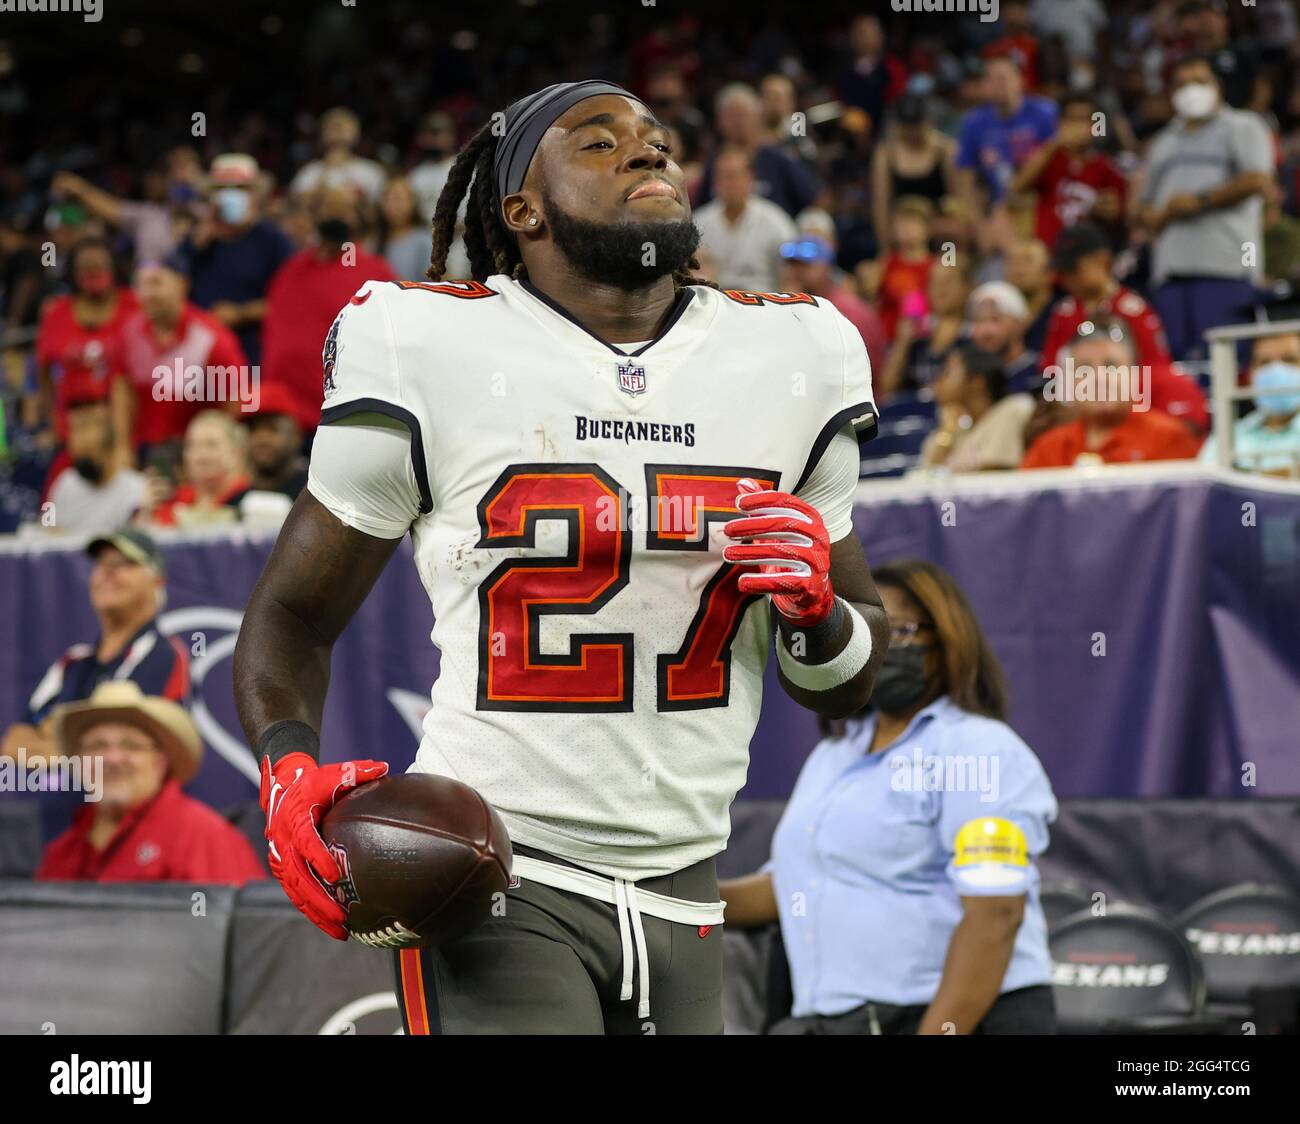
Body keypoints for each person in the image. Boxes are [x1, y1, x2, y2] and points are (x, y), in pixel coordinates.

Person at [233, 80, 889, 1036]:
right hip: (502, 868)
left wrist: (816, 616)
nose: (647, 152)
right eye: (598, 141)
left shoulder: (796, 352)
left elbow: (848, 683)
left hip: (686, 882)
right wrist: (288, 774)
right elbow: (294, 614)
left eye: (658, 140)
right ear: (521, 208)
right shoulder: (428, 342)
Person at [721, 560, 1058, 1035]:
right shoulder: (834, 754)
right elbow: (801, 885)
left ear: (946, 642)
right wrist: (686, 901)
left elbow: (996, 913)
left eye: (896, 631)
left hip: (953, 1018)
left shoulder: (980, 751)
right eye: (865, 633)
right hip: (837, 1018)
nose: (877, 649)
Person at [36, 681, 264, 885]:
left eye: (131, 745)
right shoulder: (62, 850)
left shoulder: (204, 837)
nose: (112, 759)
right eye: (97, 746)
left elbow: (247, 930)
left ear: (160, 763)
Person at [1, 529, 190, 767]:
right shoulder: (72, 663)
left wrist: (55, 739)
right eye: (101, 563)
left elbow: (117, 754)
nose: (107, 573)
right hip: (66, 803)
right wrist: (77, 748)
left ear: (156, 580)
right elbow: (13, 743)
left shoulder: (164, 654)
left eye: (124, 563)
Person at [1135, 55, 1274, 360]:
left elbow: (1257, 179)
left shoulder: (1243, 125)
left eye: (1200, 81)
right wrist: (1153, 216)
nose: (1191, 90)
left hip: (1226, 269)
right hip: (1170, 274)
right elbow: (1142, 204)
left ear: (1218, 87)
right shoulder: (1163, 141)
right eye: (1182, 84)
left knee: (1226, 366)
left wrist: (1198, 202)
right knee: (1180, 368)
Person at [1042, 224, 1207, 433]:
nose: (1067, 279)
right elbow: (1049, 373)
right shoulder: (1063, 313)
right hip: (1068, 412)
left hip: (1126, 407)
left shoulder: (1132, 310)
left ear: (1101, 260)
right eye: (1063, 272)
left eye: (1074, 269)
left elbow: (1154, 372)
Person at [259, 186, 395, 429]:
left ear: (357, 219)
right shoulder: (291, 270)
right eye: (328, 208)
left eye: (344, 209)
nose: (335, 215)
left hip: (347, 413)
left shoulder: (375, 272)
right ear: (314, 216)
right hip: (288, 415)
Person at [115, 255, 249, 456]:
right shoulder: (130, 333)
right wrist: (121, 448)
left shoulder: (210, 340)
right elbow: (122, 390)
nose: (146, 294)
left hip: (192, 454)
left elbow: (234, 404)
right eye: (140, 284)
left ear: (182, 284)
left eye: (156, 282)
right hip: (141, 450)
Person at [1023, 319, 1203, 468]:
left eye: (1111, 366)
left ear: (1134, 375)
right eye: (1083, 370)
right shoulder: (1047, 449)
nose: (1098, 378)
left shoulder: (1169, 439)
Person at [179, 154, 295, 366]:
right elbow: (170, 283)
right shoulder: (198, 240)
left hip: (252, 354)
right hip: (200, 357)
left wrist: (241, 314)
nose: (230, 194)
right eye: (222, 188)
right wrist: (197, 242)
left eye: (240, 188)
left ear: (255, 195)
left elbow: (292, 300)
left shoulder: (273, 242)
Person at [34, 237, 137, 440]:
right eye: (85, 268)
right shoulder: (56, 313)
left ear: (114, 268)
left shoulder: (135, 306)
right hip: (75, 423)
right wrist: (53, 418)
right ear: (73, 273)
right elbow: (43, 371)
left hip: (128, 420)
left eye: (99, 266)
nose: (93, 273)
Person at [1009, 91, 1127, 251]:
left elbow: (1120, 218)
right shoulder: (1049, 159)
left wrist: (1110, 213)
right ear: (1060, 123)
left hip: (1086, 259)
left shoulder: (1107, 168)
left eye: (1086, 119)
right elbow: (1016, 187)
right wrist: (1055, 143)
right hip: (1049, 254)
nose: (1079, 126)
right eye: (1072, 119)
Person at [695, 83, 821, 218]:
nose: (738, 122)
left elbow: (812, 200)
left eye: (743, 115)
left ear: (757, 117)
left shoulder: (779, 158)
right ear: (719, 121)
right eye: (731, 115)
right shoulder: (715, 163)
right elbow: (702, 210)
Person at [954, 56, 1058, 206]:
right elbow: (964, 172)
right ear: (983, 86)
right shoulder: (974, 122)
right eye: (991, 80)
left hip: (1041, 199)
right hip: (995, 203)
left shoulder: (1046, 112)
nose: (998, 85)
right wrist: (974, 216)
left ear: (1019, 80)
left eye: (1003, 78)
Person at [779, 233, 886, 377]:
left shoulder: (846, 311)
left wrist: (790, 310)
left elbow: (848, 371)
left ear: (826, 268)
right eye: (792, 266)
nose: (795, 273)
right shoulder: (797, 306)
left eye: (804, 266)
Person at [692, 148, 797, 292]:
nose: (729, 183)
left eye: (734, 176)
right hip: (716, 302)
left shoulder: (775, 220)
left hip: (763, 301)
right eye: (723, 176)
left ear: (751, 178)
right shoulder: (700, 221)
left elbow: (791, 273)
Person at [918, 343, 1035, 471]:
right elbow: (926, 479)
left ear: (977, 382)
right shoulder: (955, 429)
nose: (938, 381)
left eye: (947, 372)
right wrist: (947, 431)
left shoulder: (1013, 409)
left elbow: (996, 472)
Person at [1198, 329, 1300, 475]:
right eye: (1264, 362)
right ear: (1250, 374)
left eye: (1289, 359)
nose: (1276, 369)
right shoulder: (1228, 437)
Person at [43, 399, 147, 535]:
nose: (82, 464)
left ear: (110, 453)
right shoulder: (63, 485)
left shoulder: (137, 489)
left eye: (89, 455)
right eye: (79, 457)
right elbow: (46, 531)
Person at [870, 93, 955, 252]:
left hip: (939, 233)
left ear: (928, 121)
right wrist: (885, 250)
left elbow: (958, 200)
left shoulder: (945, 150)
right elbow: (881, 204)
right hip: (903, 234)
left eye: (916, 126)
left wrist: (943, 231)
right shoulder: (886, 154)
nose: (912, 133)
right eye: (907, 128)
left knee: (947, 265)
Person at [879, 257, 972, 399]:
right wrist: (903, 342)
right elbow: (887, 385)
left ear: (966, 287)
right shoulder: (917, 336)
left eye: (948, 281)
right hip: (911, 414)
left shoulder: (973, 335)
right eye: (934, 283)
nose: (941, 289)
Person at [147, 409, 251, 527]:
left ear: (236, 454)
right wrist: (147, 513)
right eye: (192, 445)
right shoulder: (176, 500)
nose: (200, 456)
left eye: (211, 445)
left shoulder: (252, 502)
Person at [862, 195, 934, 343]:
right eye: (901, 223)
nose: (906, 228)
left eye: (913, 222)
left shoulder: (936, 266)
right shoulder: (886, 262)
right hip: (887, 337)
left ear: (927, 229)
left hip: (923, 338)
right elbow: (871, 296)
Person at [229, 384, 309, 503]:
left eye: (272, 429)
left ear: (296, 435)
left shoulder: (317, 496)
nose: (262, 438)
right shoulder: (236, 503)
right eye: (253, 429)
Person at [290, 107, 388, 203]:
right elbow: (295, 203)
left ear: (356, 133)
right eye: (331, 127)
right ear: (322, 134)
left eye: (342, 126)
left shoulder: (371, 171)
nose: (337, 131)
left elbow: (378, 209)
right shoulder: (309, 172)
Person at [967, 281, 1041, 395]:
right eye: (978, 321)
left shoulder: (1040, 372)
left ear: (1021, 323)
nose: (985, 330)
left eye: (995, 319)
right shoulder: (972, 381)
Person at [1003, 237, 1055, 353]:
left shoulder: (1062, 311)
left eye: (1027, 261)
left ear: (1048, 272)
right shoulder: (998, 313)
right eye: (1011, 262)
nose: (1018, 269)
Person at [377, 177, 431, 282]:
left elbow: (435, 282)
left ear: (413, 203)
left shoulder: (424, 241)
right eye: (388, 199)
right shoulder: (374, 241)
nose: (394, 205)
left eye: (399, 199)